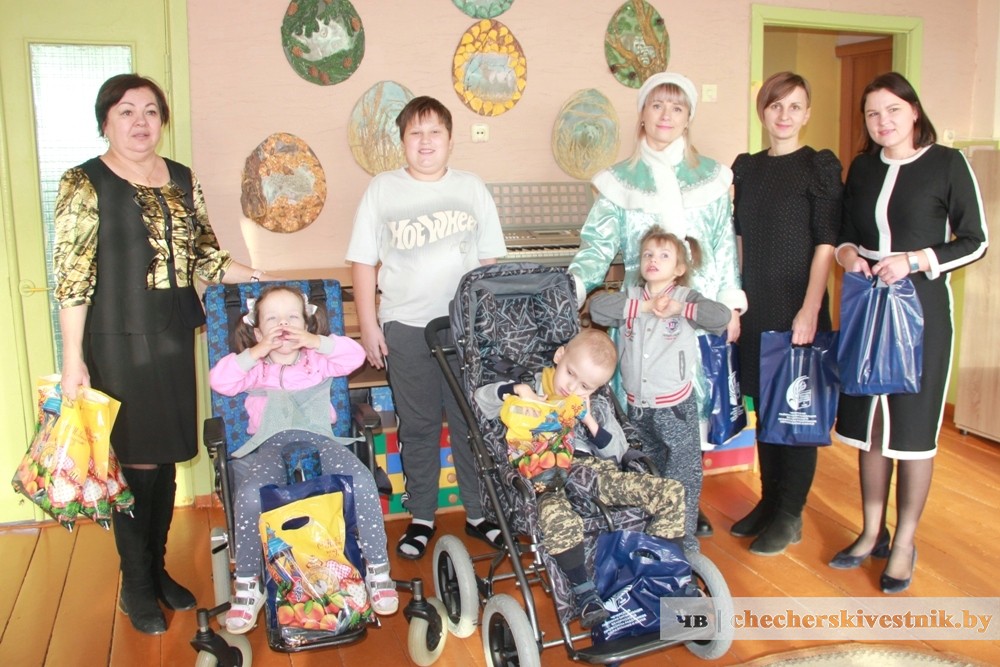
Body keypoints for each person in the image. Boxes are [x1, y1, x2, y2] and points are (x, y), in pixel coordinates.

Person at [52, 73, 263, 635]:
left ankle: (156, 566)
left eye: (150, 111)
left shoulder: (182, 178)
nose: (140, 122)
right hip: (115, 340)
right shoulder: (84, 182)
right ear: (105, 121)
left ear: (162, 121)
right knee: (135, 463)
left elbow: (206, 256)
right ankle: (136, 584)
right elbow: (72, 278)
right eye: (126, 111)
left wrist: (262, 277)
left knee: (166, 457)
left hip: (170, 336)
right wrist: (73, 359)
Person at [568, 71, 746, 537]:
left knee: (689, 420)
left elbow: (723, 248)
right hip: (640, 320)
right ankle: (649, 508)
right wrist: (573, 285)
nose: (667, 115)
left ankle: (684, 505)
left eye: (677, 107)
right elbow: (596, 248)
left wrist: (731, 306)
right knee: (643, 419)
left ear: (688, 118)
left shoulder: (711, 178)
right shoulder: (619, 183)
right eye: (657, 105)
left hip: (696, 314)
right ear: (643, 114)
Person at [829, 72, 988, 593]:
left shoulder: (948, 164)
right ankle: (872, 530)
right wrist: (847, 255)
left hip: (921, 311)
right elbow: (847, 234)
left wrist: (916, 260)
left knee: (913, 430)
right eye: (873, 114)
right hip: (867, 305)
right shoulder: (863, 167)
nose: (883, 122)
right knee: (869, 424)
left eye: (893, 110)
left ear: (914, 111)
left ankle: (905, 542)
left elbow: (975, 240)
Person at [346, 96, 508, 560]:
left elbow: (490, 264)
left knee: (472, 422)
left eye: (435, 131)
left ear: (450, 140)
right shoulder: (383, 189)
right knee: (417, 425)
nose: (425, 141)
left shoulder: (471, 188)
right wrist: (369, 326)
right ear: (402, 141)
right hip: (406, 327)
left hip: (465, 330)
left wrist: (491, 329)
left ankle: (479, 512)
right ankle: (421, 516)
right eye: (415, 133)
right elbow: (362, 262)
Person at [209, 285, 398, 632]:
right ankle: (248, 584)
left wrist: (315, 342)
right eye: (272, 319)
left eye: (292, 318)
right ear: (257, 330)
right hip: (270, 442)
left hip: (320, 438)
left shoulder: (318, 360)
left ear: (308, 324)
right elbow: (219, 380)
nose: (283, 325)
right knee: (249, 494)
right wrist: (256, 351)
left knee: (361, 479)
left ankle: (377, 569)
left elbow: (353, 356)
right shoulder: (255, 368)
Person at [473, 328, 686, 629]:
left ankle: (663, 574)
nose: (572, 387)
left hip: (595, 474)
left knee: (671, 491)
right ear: (560, 356)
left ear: (598, 387)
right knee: (556, 515)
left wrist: (589, 420)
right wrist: (516, 390)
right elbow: (480, 400)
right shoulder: (530, 389)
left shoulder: (596, 405)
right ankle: (584, 591)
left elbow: (618, 452)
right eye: (570, 373)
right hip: (548, 478)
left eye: (585, 385)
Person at [729, 72, 843, 555]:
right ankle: (769, 501)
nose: (784, 115)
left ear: (807, 113)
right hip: (757, 307)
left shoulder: (818, 166)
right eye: (776, 105)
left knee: (796, 411)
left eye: (794, 106)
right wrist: (735, 300)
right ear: (763, 111)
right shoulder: (747, 168)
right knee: (765, 406)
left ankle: (790, 514)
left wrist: (810, 308)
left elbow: (826, 244)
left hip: (799, 306)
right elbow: (737, 239)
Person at [589, 227, 730, 553]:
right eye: (648, 254)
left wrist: (680, 309)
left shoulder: (686, 298)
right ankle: (651, 538)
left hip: (674, 408)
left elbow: (720, 317)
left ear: (679, 268)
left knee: (682, 476)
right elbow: (597, 310)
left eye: (664, 255)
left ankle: (684, 546)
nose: (653, 260)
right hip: (637, 408)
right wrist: (645, 307)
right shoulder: (632, 298)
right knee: (645, 472)